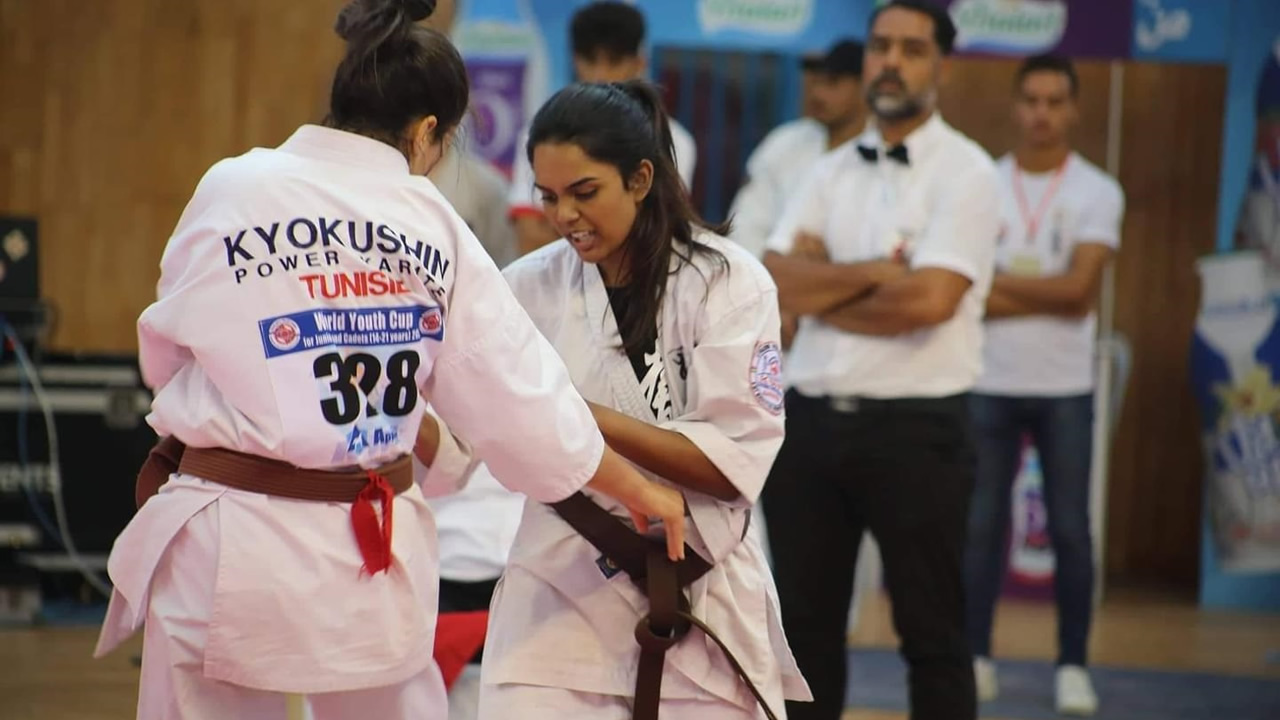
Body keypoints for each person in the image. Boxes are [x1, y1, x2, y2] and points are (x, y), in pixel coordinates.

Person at [92, 1, 685, 718]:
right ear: (428, 131)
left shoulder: (231, 186)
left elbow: (168, 346)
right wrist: (637, 488)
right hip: (363, 543)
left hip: (226, 531)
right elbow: (520, 400)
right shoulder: (429, 221)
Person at [474, 79, 811, 720]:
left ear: (639, 179)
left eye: (585, 192)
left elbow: (730, 465)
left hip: (700, 586)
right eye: (548, 197)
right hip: (560, 584)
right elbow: (482, 423)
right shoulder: (524, 290)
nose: (565, 215)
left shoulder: (729, 283)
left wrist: (572, 411)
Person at [759, 2, 1000, 719]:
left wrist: (825, 283)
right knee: (802, 636)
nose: (891, 61)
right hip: (809, 425)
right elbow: (775, 281)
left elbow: (929, 301)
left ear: (941, 66)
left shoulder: (968, 172)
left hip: (917, 429)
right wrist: (876, 274)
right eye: (881, 45)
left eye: (912, 49)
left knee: (933, 634)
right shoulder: (825, 170)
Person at [964, 54, 1123, 717]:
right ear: (1015, 105)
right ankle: (975, 656)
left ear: (1074, 110)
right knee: (979, 526)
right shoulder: (983, 183)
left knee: (1071, 529)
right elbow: (965, 292)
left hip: (1065, 386)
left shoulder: (1097, 191)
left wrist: (999, 287)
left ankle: (1073, 665)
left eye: (1055, 102)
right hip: (989, 379)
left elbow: (1080, 293)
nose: (1042, 114)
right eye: (1032, 100)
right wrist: (1040, 291)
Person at [507, 1, 697, 257]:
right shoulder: (542, 135)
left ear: (639, 63)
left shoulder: (674, 139)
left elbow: (660, 236)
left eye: (587, 193)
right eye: (550, 197)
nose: (601, 75)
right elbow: (530, 240)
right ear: (575, 61)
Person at [728, 39, 867, 260]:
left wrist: (827, 265)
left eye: (832, 83)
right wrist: (779, 267)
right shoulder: (783, 143)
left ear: (864, 87)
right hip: (767, 272)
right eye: (815, 82)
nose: (818, 93)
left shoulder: (881, 152)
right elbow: (745, 225)